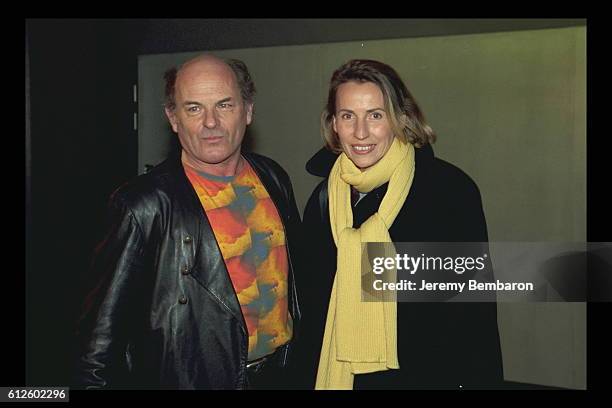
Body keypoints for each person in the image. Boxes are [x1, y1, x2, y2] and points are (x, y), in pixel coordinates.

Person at [74, 55, 302, 390]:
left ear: (248, 110)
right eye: (194, 108)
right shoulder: (144, 205)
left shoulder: (273, 177)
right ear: (174, 118)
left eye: (224, 105)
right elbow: (98, 343)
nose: (211, 122)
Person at [296, 59, 503, 390]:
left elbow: (473, 314)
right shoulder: (323, 199)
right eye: (348, 116)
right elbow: (313, 311)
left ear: (401, 118)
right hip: (340, 377)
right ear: (333, 124)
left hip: (422, 377)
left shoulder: (449, 191)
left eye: (375, 115)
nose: (360, 132)